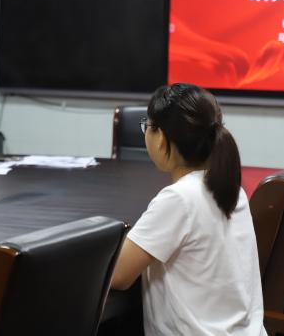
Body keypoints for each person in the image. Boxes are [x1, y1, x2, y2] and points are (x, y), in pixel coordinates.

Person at [110, 83, 266, 336]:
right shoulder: (232, 190)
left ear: (161, 138)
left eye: (147, 126)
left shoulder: (179, 199)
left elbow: (117, 275)